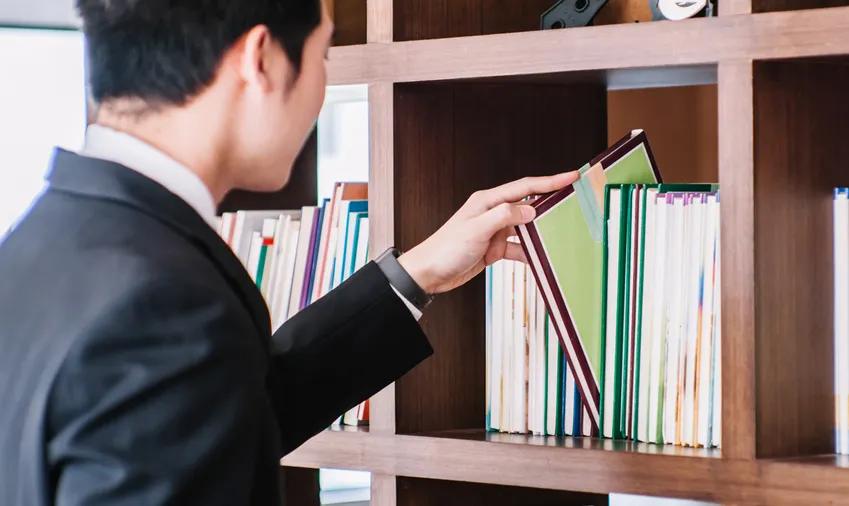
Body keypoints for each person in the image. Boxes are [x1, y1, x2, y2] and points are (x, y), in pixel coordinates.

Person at [0, 1, 578, 505]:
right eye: (323, 55)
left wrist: (416, 272)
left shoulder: (32, 249)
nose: (322, 89)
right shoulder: (166, 303)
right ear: (261, 58)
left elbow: (225, 420)